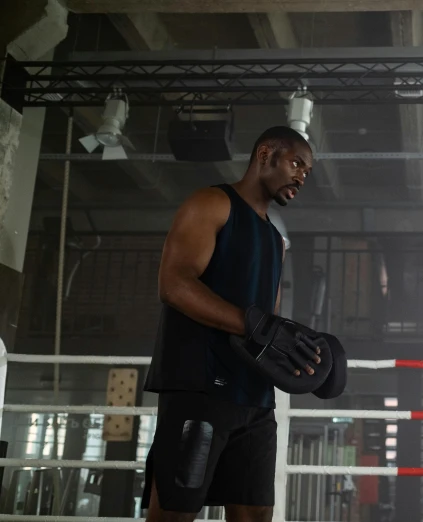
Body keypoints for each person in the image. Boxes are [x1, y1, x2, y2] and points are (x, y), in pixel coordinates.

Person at [141, 126, 320, 522]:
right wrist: (256, 326)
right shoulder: (212, 203)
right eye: (296, 164)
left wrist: (301, 359)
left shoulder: (275, 241)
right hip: (199, 390)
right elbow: (174, 284)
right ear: (265, 154)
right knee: (175, 512)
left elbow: (266, 323)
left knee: (256, 514)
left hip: (255, 400)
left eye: (307, 172)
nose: (301, 177)